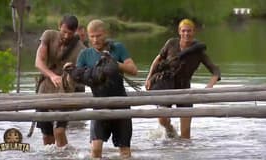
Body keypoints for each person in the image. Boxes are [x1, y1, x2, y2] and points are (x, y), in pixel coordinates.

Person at [145, 19, 221, 139]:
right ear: (179, 32)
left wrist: (209, 86)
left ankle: (184, 153)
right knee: (162, 120)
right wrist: (149, 77)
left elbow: (215, 71)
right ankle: (170, 130)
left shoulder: (198, 51)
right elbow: (158, 59)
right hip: (166, 84)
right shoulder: (171, 43)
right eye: (184, 31)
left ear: (194, 32)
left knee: (186, 136)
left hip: (184, 87)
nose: (186, 34)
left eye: (189, 31)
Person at [76, 19, 137, 159]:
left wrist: (115, 64)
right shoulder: (85, 54)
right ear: (87, 36)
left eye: (99, 35)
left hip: (121, 104)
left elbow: (133, 70)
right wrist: (69, 71)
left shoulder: (118, 48)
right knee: (96, 150)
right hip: (99, 106)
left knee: (125, 152)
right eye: (92, 36)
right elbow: (75, 78)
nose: (95, 39)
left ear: (106, 34)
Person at [35, 15, 86, 149]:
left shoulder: (80, 49)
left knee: (59, 130)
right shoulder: (49, 36)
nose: (66, 35)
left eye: (70, 33)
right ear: (59, 26)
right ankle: (50, 156)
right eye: (63, 32)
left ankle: (65, 155)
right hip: (45, 88)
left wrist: (70, 72)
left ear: (75, 32)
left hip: (66, 91)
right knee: (46, 132)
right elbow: (39, 61)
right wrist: (52, 75)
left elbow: (80, 74)